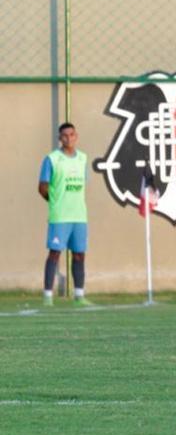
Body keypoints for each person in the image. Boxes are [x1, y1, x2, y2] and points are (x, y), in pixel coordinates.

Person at [38, 122, 91, 306]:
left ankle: (79, 295)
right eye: (65, 135)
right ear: (60, 138)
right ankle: (47, 297)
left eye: (72, 134)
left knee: (79, 254)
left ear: (76, 136)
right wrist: (55, 202)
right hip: (60, 216)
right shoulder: (51, 159)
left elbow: (83, 185)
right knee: (54, 253)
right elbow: (42, 187)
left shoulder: (83, 159)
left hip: (79, 216)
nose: (68, 138)